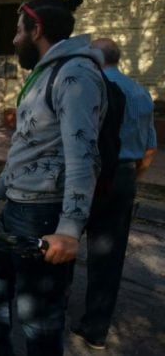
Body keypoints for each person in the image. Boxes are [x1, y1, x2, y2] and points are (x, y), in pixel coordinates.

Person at [0, 0, 106, 355]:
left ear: (36, 29)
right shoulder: (46, 73)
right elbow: (24, 148)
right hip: (15, 207)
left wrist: (69, 230)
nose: (13, 40)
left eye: (17, 30)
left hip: (43, 214)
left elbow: (83, 155)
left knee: (37, 318)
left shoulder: (75, 74)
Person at [71, 38, 158, 350]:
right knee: (108, 257)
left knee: (64, 240)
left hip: (84, 176)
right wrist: (131, 178)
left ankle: (51, 308)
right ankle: (96, 329)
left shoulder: (85, 89)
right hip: (122, 178)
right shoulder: (141, 93)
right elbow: (149, 149)